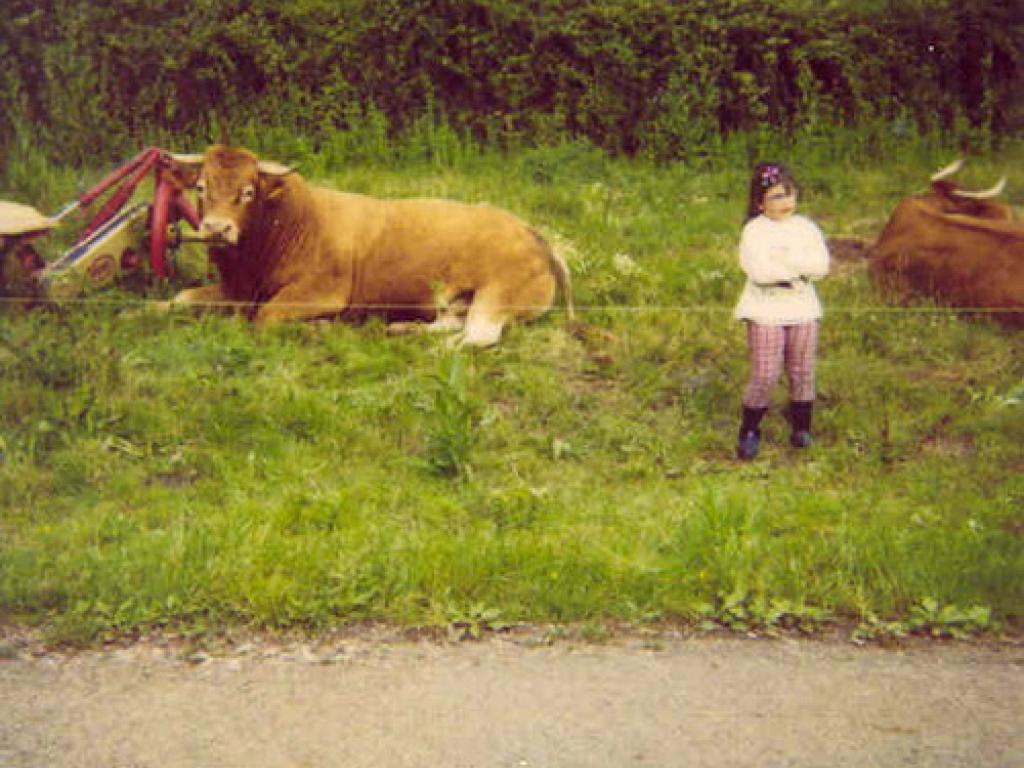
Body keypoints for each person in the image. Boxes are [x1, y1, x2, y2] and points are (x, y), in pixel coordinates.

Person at [733, 162, 830, 460]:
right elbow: (760, 271)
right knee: (765, 373)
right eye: (775, 197)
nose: (785, 202)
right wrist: (796, 268)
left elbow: (820, 266)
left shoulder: (806, 228)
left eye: (789, 195)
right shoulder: (755, 231)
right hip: (766, 310)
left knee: (802, 370)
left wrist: (786, 264)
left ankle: (801, 427)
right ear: (759, 202)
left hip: (803, 308)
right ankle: (750, 430)